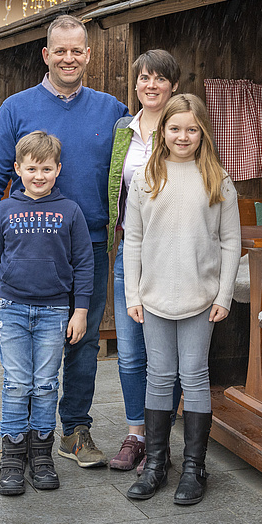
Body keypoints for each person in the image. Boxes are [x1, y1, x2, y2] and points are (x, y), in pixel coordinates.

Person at [0, 15, 128, 469]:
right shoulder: (16, 108)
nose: (68, 58)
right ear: (46, 54)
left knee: (83, 340)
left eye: (77, 50)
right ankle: (17, 437)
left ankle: (74, 431)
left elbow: (133, 173)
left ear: (88, 55)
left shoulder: (112, 111)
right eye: (60, 50)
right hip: (25, 248)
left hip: (89, 248)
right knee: (22, 346)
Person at [123, 94, 241, 505]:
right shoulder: (146, 177)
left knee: (194, 376)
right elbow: (133, 239)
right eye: (175, 128)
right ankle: (155, 464)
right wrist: (133, 293)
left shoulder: (218, 180)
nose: (183, 136)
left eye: (192, 129)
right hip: (153, 296)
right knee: (158, 375)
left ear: (203, 132)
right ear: (163, 131)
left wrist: (224, 294)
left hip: (201, 296)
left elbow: (230, 242)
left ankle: (194, 467)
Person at [0, 131, 94, 496]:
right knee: (16, 384)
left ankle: (42, 456)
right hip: (11, 308)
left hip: (54, 311)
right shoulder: (3, 210)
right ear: (18, 169)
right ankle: (13, 458)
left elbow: (84, 264)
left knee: (46, 384)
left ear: (58, 169)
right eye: (31, 168)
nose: (39, 176)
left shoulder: (70, 211)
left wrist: (80, 311)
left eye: (46, 169)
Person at [107, 50, 184, 473]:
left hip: (173, 254)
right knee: (131, 353)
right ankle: (136, 435)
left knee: (165, 356)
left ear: (173, 85)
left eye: (159, 79)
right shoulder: (124, 128)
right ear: (135, 84)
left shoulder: (182, 127)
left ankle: (160, 442)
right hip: (130, 252)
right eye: (144, 78)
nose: (150, 85)